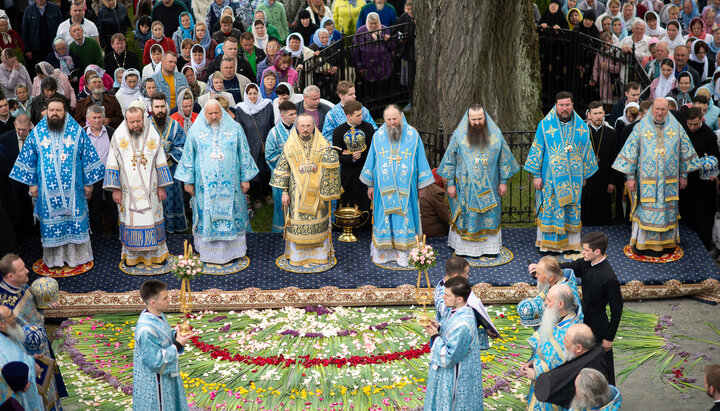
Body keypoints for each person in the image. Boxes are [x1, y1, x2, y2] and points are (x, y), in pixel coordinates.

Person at [10, 98, 104, 268]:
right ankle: (55, 260)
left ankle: (77, 258)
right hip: (46, 192)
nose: (54, 113)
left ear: (65, 112)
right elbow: (28, 158)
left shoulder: (77, 132)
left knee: (74, 222)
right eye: (51, 110)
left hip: (74, 191)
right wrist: (32, 184)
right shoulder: (38, 132)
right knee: (51, 224)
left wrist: (89, 184)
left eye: (58, 110)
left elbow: (89, 157)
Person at [613, 97, 702, 256]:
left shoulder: (677, 127)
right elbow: (631, 153)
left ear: (668, 109)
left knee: (668, 213)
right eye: (657, 109)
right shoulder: (640, 127)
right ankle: (644, 245)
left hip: (670, 183)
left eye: (664, 109)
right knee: (647, 213)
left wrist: (684, 176)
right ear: (652, 108)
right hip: (646, 184)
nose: (660, 113)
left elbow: (684, 152)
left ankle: (667, 244)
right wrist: (630, 178)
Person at [175, 99, 258, 264]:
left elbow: (244, 153)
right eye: (210, 113)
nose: (214, 116)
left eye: (217, 113)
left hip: (232, 184)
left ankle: (233, 251)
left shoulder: (235, 129)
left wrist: (245, 178)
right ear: (204, 114)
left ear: (222, 112)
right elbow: (188, 157)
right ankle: (209, 253)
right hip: (204, 186)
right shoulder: (195, 131)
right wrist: (188, 181)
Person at [437, 105, 520, 257]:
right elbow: (450, 160)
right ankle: (465, 248)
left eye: (480, 119)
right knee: (467, 216)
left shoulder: (495, 134)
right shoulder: (459, 135)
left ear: (485, 117)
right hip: (465, 188)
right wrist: (450, 183)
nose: (477, 122)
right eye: (473, 119)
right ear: (468, 118)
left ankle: (489, 249)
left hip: (491, 185)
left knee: (488, 214)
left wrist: (503, 181)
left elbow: (504, 159)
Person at [525, 91, 598, 253]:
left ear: (572, 105)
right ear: (555, 106)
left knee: (571, 208)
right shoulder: (545, 125)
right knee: (550, 208)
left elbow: (587, 152)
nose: (564, 108)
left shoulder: (582, 127)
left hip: (574, 179)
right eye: (561, 105)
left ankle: (571, 244)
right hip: (549, 179)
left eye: (567, 105)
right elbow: (537, 150)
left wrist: (585, 175)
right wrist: (536, 176)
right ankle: (548, 245)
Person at [360, 105, 433, 266]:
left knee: (404, 219)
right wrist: (370, 185)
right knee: (384, 218)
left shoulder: (413, 135)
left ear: (401, 117)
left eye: (395, 118)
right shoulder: (378, 136)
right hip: (382, 189)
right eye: (388, 119)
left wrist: (422, 185)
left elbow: (420, 159)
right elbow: (372, 160)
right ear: (384, 120)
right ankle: (384, 254)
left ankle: (403, 254)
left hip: (407, 189)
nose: (392, 122)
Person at [104, 102, 174, 266]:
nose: (135, 125)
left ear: (143, 119)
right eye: (131, 122)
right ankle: (133, 257)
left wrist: (162, 187)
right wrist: (115, 190)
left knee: (153, 219)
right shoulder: (118, 136)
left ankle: (154, 256)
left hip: (152, 190)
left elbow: (161, 161)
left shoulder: (153, 136)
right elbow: (112, 163)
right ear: (126, 121)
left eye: (138, 121)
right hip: (127, 192)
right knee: (131, 221)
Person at [269, 113, 340, 266]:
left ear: (314, 126)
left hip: (317, 194)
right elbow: (283, 170)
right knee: (297, 225)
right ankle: (298, 257)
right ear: (297, 127)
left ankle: (319, 256)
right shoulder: (290, 145)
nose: (306, 129)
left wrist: (330, 156)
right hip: (296, 194)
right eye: (302, 126)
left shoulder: (322, 143)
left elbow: (330, 169)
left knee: (318, 224)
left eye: (309, 126)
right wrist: (285, 193)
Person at [0, 254, 66, 408]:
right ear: (10, 275)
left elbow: (35, 313)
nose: (27, 271)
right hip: (30, 357)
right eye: (22, 269)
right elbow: (10, 342)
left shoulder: (22, 286)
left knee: (51, 387)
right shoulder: (4, 307)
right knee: (40, 395)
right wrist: (31, 358)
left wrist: (46, 304)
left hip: (42, 346)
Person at [559, 232, 623, 385]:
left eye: (586, 250)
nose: (583, 253)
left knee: (600, 365)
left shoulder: (609, 277)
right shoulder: (587, 263)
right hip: (584, 320)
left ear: (597, 252)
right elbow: (570, 266)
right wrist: (546, 267)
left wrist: (609, 338)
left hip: (599, 326)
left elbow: (617, 310)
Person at [422, 276, 485, 411]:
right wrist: (438, 327)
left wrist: (434, 335)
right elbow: (448, 331)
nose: (443, 297)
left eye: (447, 295)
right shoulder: (454, 309)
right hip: (449, 372)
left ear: (459, 299)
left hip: (457, 375)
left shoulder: (464, 324)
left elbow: (450, 357)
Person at [521, 283, 581, 410]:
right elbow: (547, 350)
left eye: (548, 300)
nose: (545, 303)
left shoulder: (571, 332)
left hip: (557, 394)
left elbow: (562, 369)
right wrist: (533, 361)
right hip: (546, 386)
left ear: (560, 304)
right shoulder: (559, 318)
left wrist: (536, 373)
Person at [133, 279, 191, 411]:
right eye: (165, 298)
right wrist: (178, 344)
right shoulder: (146, 330)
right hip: (155, 384)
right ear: (153, 303)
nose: (169, 300)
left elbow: (162, 337)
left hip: (165, 378)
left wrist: (176, 335)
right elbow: (156, 361)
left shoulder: (156, 314)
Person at [534, 323, 612, 409]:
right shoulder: (594, 350)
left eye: (566, 340)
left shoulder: (591, 370)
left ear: (579, 348)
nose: (563, 342)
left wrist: (536, 374)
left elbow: (559, 382)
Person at [679, 106, 720, 250]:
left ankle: (702, 246)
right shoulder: (682, 130)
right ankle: (684, 244)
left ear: (701, 120)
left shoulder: (708, 134)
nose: (692, 127)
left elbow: (715, 157)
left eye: (695, 124)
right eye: (690, 124)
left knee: (702, 216)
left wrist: (713, 174)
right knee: (685, 212)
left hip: (703, 184)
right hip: (685, 180)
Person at [332, 100, 375, 229]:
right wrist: (351, 157)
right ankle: (345, 227)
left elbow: (372, 151)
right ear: (349, 116)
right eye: (358, 115)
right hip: (347, 175)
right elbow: (337, 156)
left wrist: (359, 155)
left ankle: (364, 228)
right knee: (347, 201)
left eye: (361, 114)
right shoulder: (338, 132)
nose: (361, 117)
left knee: (364, 202)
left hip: (364, 172)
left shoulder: (368, 128)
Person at [149, 93, 188, 234]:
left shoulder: (175, 125)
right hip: (150, 172)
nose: (160, 110)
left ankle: (173, 228)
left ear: (166, 107)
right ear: (151, 107)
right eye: (157, 107)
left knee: (172, 199)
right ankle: (156, 229)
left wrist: (169, 155)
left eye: (162, 107)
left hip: (171, 170)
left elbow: (183, 146)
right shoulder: (146, 125)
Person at [236, 83, 274, 209]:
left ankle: (267, 194)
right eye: (250, 94)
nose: (253, 96)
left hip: (266, 144)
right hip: (250, 145)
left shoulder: (267, 105)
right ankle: (257, 196)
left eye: (255, 93)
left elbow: (272, 123)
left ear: (259, 93)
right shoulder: (241, 109)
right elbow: (240, 128)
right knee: (254, 170)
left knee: (266, 169)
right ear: (246, 95)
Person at [582, 101, 620, 226]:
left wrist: (612, 181)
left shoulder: (611, 133)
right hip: (587, 179)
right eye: (595, 113)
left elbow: (615, 159)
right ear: (589, 116)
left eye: (600, 113)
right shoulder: (582, 133)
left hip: (604, 179)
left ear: (604, 113)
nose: (598, 116)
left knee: (603, 214)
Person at [0, 306, 42, 411]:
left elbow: (21, 356)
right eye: (11, 316)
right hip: (18, 398)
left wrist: (31, 358)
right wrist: (19, 384)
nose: (15, 316)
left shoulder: (9, 332)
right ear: (1, 324)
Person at [85, 105, 117, 235]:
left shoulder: (111, 132)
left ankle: (116, 233)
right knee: (94, 206)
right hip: (92, 177)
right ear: (88, 118)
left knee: (113, 205)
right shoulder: (82, 134)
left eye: (99, 117)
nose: (97, 120)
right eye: (94, 118)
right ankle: (96, 235)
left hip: (110, 175)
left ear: (103, 118)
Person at [265, 101, 296, 233]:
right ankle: (279, 233)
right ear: (282, 116)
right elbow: (269, 156)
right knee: (280, 205)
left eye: (295, 113)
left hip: (298, 174)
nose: (295, 117)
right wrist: (287, 154)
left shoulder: (299, 129)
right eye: (291, 115)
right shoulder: (274, 132)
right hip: (280, 175)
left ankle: (297, 230)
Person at [352, 13, 396, 83]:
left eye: (375, 23)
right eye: (371, 23)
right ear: (367, 22)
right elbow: (355, 52)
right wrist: (359, 67)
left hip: (383, 66)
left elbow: (393, 48)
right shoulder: (360, 31)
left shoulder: (385, 29)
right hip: (368, 67)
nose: (373, 26)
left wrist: (389, 40)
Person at [21, 0, 63, 68]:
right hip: (35, 49)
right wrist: (27, 50)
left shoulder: (54, 8)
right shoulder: (28, 10)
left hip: (52, 48)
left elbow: (60, 28)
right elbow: (25, 31)